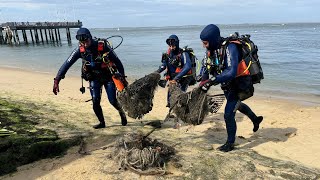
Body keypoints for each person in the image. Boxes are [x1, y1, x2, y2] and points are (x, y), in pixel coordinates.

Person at [198, 24, 263, 152]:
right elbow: (206, 69)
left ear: (212, 40)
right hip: (227, 85)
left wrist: (212, 81)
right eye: (203, 43)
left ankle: (230, 143)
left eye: (205, 43)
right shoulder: (211, 51)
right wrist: (202, 81)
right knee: (236, 106)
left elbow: (231, 71)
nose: (204, 46)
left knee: (228, 114)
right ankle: (256, 119)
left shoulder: (230, 47)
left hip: (240, 85)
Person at [52, 27, 127, 129]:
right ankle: (102, 122)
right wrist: (57, 80)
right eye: (82, 42)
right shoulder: (80, 50)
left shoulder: (102, 46)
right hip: (94, 78)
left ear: (90, 38)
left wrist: (122, 76)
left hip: (108, 77)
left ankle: (122, 113)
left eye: (86, 41)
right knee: (95, 101)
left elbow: (118, 62)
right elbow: (66, 64)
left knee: (112, 100)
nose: (85, 44)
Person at [156, 34, 193, 107]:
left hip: (183, 79)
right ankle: (172, 113)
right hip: (172, 80)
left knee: (180, 98)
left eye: (173, 46)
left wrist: (176, 78)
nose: (171, 48)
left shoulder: (183, 54)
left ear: (177, 44)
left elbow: (188, 66)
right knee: (170, 100)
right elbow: (163, 66)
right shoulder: (168, 54)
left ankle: (182, 113)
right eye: (170, 46)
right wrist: (155, 73)